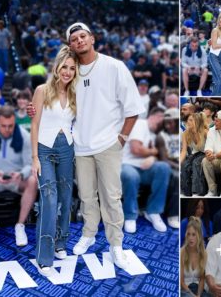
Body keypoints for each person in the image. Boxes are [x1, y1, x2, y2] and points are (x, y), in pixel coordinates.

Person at [66, 23, 145, 267]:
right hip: (81, 146)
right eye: (74, 39)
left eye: (83, 36)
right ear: (70, 45)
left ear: (92, 38)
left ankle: (116, 244)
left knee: (111, 197)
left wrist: (121, 137)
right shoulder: (69, 71)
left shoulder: (114, 66)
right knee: (87, 196)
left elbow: (133, 107)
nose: (79, 41)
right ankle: (88, 234)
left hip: (108, 143)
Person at [31, 46, 78, 276]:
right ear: (56, 66)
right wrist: (34, 158)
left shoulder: (76, 93)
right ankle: (44, 257)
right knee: (49, 200)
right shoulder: (41, 90)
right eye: (64, 67)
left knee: (66, 198)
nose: (67, 72)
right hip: (44, 150)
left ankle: (61, 243)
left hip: (67, 150)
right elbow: (35, 125)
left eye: (72, 68)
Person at [0, 106, 37, 249]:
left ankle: (20, 225)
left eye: (11, 126)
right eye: (3, 126)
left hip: (16, 178)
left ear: (14, 122)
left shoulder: (23, 135)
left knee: (32, 180)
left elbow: (29, 164)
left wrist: (21, 174)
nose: (7, 129)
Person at [121, 107, 171, 233]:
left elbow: (156, 155)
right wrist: (153, 152)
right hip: (126, 164)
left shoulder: (154, 134)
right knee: (131, 176)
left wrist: (153, 157)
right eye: (162, 119)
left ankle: (153, 211)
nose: (163, 123)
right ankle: (130, 215)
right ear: (156, 116)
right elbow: (136, 149)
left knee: (163, 168)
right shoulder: (140, 123)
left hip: (144, 168)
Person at [181, 216, 210, 297]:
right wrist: (192, 295)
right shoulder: (182, 252)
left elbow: (202, 279)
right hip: (184, 290)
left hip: (198, 289)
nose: (190, 238)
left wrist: (198, 295)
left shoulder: (204, 253)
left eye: (194, 235)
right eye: (189, 234)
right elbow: (181, 282)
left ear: (199, 236)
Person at [181, 112, 208, 196]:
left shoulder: (205, 132)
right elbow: (184, 151)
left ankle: (197, 192)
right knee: (185, 164)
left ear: (196, 121)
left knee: (196, 163)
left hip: (206, 153)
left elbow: (211, 148)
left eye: (190, 120)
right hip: (196, 153)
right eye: (188, 120)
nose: (187, 122)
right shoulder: (185, 133)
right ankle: (186, 192)